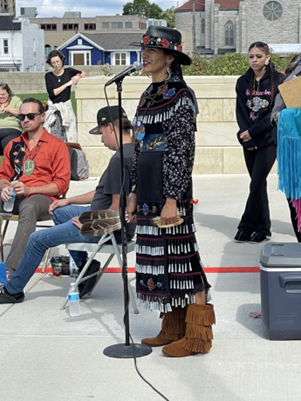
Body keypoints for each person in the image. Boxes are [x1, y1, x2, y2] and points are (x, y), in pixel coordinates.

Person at [127, 26, 215, 358]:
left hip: (170, 192)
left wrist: (173, 199)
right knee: (160, 261)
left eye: (152, 50)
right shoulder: (146, 95)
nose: (145, 55)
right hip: (147, 189)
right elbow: (137, 147)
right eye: (143, 49)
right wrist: (134, 191)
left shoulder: (181, 95)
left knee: (183, 259)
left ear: (169, 57)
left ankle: (197, 338)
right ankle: (173, 327)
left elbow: (181, 150)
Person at [0, 105, 135, 304]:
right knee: (60, 211)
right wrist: (69, 200)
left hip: (109, 227)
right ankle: (85, 266)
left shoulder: (119, 160)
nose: (101, 139)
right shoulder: (134, 153)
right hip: (115, 221)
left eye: (101, 132)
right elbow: (104, 195)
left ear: (110, 128)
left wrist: (90, 222)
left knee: (38, 239)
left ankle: (13, 290)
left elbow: (115, 209)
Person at [0, 97, 70, 278]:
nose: (25, 120)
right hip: (15, 195)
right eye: (22, 116)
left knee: (29, 205)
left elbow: (61, 186)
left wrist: (31, 190)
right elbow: (3, 175)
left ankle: (12, 271)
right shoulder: (13, 144)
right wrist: (5, 186)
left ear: (42, 116)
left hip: (44, 198)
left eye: (30, 116)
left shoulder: (57, 146)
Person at [234, 42, 283, 244]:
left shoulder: (279, 81)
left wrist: (253, 133)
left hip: (269, 139)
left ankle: (247, 224)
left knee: (255, 183)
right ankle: (263, 228)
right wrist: (246, 137)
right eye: (251, 56)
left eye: (258, 56)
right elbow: (241, 112)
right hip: (249, 139)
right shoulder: (242, 82)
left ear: (267, 58)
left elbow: (274, 114)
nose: (254, 60)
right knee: (258, 184)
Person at [271, 54, 301, 242]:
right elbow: (275, 113)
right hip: (295, 156)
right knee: (296, 202)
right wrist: (282, 117)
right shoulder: (292, 80)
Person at [44, 50, 87, 142]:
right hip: (54, 110)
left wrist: (77, 77)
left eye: (58, 61)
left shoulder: (69, 71)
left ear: (62, 60)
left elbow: (84, 73)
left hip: (66, 107)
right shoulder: (48, 76)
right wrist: (68, 84)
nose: (56, 64)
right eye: (53, 63)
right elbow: (52, 93)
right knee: (55, 136)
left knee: (69, 135)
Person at [0, 83, 22, 155]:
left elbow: (22, 111)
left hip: (12, 130)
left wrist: (7, 110)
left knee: (10, 146)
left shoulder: (15, 100)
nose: (1, 97)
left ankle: (16, 164)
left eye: (3, 94)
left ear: (8, 93)